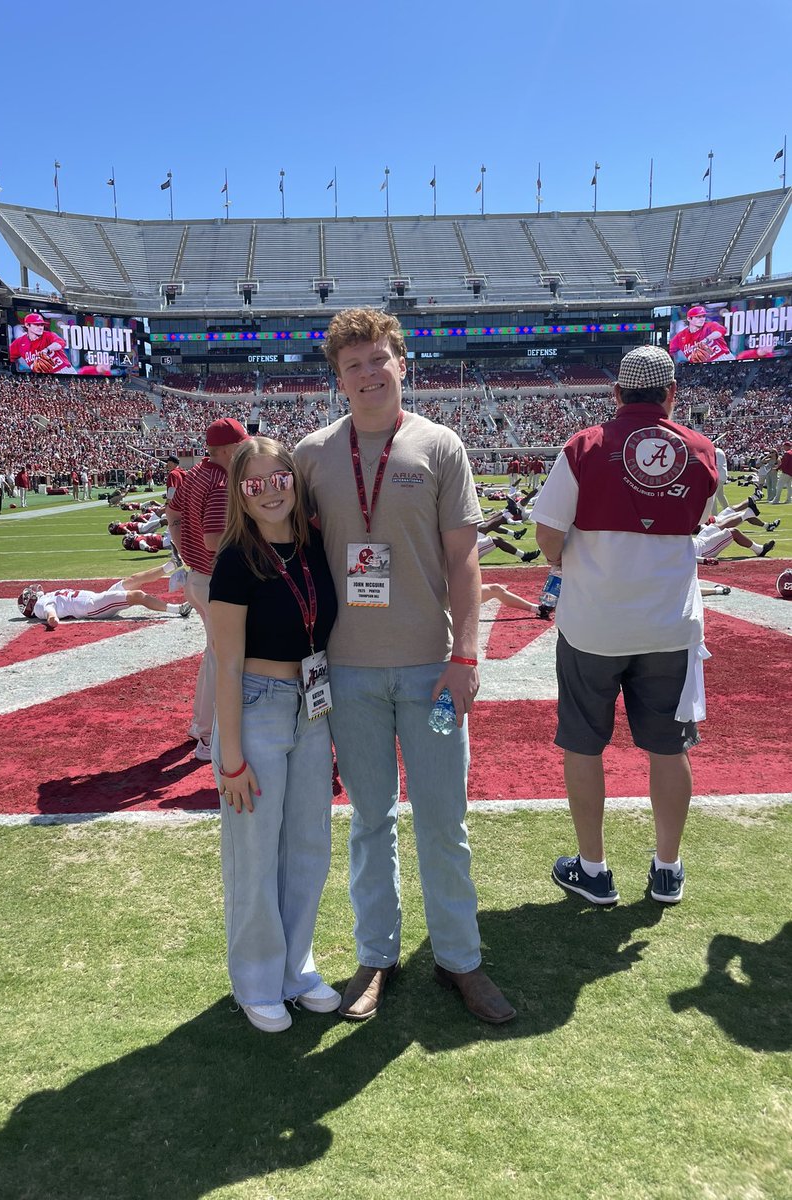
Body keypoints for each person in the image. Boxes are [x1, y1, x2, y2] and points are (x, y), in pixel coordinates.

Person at [296, 308, 516, 1025]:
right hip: (349, 671)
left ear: (401, 364)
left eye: (377, 360)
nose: (367, 374)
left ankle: (461, 959)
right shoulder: (312, 454)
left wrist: (467, 654)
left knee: (445, 821)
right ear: (338, 378)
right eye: (352, 365)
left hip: (432, 670)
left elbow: (463, 559)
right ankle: (376, 956)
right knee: (368, 820)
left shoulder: (439, 445)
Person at [532, 345, 717, 907]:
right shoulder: (703, 450)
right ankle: (667, 868)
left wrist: (571, 565)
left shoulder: (584, 446)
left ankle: (594, 869)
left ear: (616, 393)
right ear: (672, 393)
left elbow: (547, 533)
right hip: (670, 625)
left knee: (585, 745)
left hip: (593, 625)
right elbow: (699, 521)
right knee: (668, 747)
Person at [209, 436, 339, 1034]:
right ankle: (257, 979)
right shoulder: (237, 557)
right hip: (258, 706)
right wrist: (230, 757)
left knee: (308, 846)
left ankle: (296, 964)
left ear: (295, 480)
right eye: (255, 483)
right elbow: (226, 663)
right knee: (255, 854)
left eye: (278, 478)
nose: (270, 491)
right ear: (241, 492)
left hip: (312, 708)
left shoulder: (314, 546)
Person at [166, 417, 250, 762]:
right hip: (217, 581)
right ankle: (207, 735)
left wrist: (185, 555)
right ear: (230, 450)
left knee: (214, 655)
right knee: (225, 659)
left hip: (199, 577)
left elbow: (172, 515)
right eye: (242, 444)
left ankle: (200, 724)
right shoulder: (220, 481)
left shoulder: (197, 473)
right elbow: (214, 539)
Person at [17, 563, 191, 629]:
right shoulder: (41, 606)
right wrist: (53, 620)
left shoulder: (44, 598)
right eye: (30, 594)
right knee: (137, 595)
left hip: (95, 598)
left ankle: (173, 563)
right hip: (93, 607)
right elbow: (51, 615)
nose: (33, 591)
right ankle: (178, 609)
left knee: (132, 580)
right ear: (31, 603)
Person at [668, 305, 733, 363]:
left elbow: (720, 331)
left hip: (723, 359)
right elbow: (669, 350)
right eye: (698, 317)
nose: (702, 319)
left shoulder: (710, 325)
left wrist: (706, 339)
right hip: (700, 367)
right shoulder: (680, 336)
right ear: (689, 319)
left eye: (703, 316)